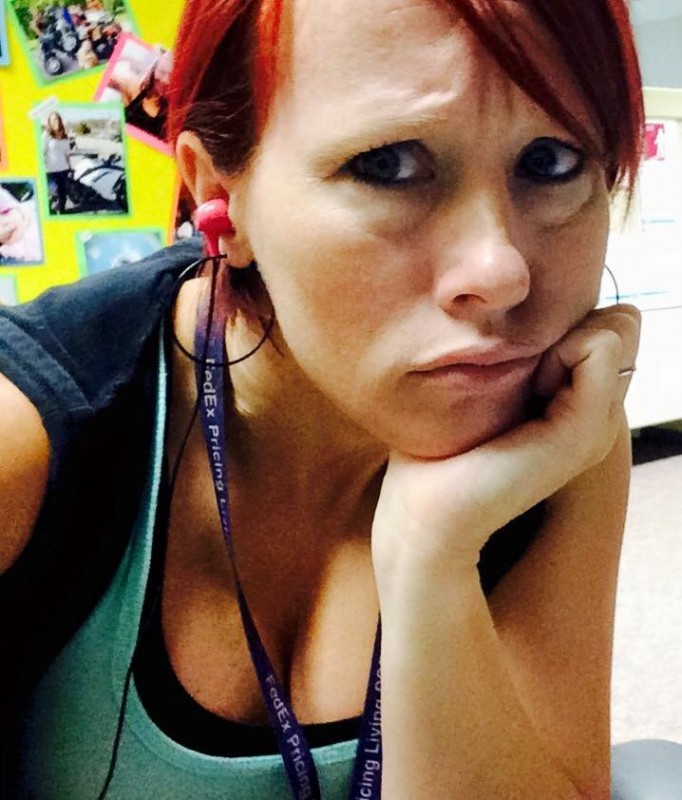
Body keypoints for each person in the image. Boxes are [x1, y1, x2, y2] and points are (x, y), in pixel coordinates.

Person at [0, 0, 643, 798]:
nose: (501, 272)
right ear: (218, 196)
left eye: (550, 161)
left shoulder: (561, 433)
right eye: (388, 165)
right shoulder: (30, 436)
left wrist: (433, 554)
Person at [42, 111, 73, 215]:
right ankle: (50, 214)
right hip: (50, 171)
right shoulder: (46, 135)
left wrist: (70, 168)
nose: (56, 121)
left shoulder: (65, 136)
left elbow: (67, 154)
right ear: (49, 122)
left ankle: (62, 212)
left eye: (58, 118)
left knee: (63, 194)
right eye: (53, 119)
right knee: (51, 195)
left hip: (63, 170)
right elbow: (42, 153)